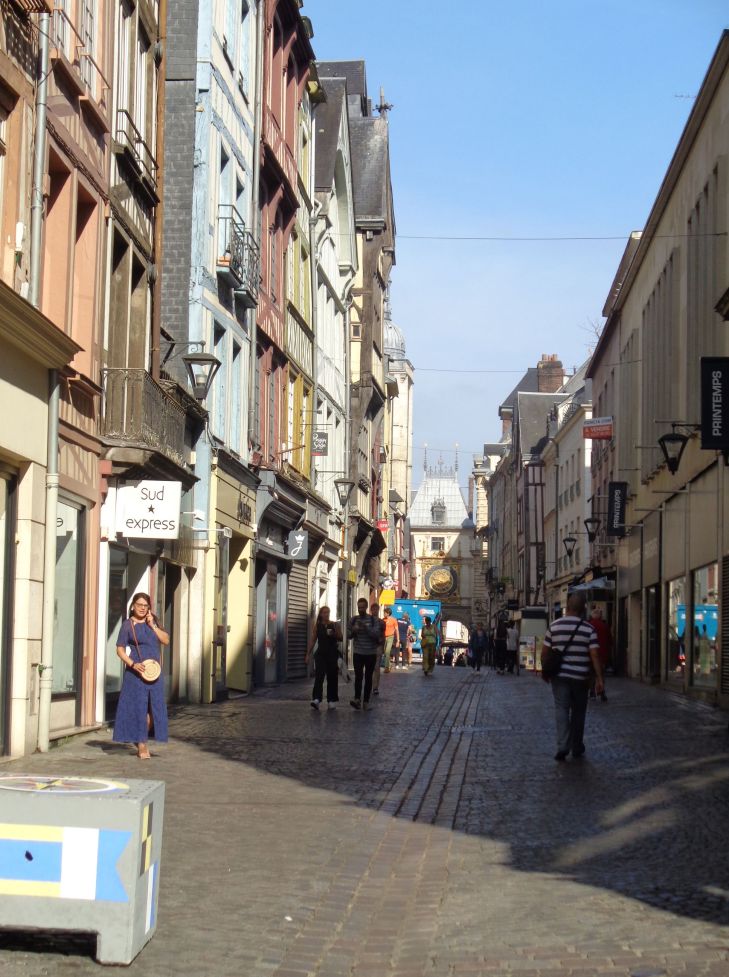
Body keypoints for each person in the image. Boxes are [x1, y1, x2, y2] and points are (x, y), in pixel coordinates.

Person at [543, 591, 604, 761]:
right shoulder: (588, 629)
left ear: (567, 607)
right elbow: (594, 655)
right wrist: (599, 678)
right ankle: (576, 746)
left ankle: (563, 745)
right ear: (583, 609)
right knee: (579, 712)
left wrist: (546, 672)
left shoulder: (554, 626)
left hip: (560, 676)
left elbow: (545, 652)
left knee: (561, 709)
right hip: (580, 677)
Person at [113, 593, 169, 759]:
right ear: (133, 606)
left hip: (154, 673)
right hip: (136, 673)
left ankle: (140, 737)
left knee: (154, 709)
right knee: (139, 708)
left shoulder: (154, 622)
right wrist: (132, 664)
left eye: (146, 605)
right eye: (139, 605)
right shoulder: (127, 625)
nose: (143, 608)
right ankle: (142, 745)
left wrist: (153, 625)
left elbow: (165, 640)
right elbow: (120, 649)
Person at [305, 605, 342, 710]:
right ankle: (316, 699)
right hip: (321, 654)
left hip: (332, 654)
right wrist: (308, 654)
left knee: (332, 677)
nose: (326, 614)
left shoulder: (334, 625)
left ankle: (331, 700)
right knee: (319, 676)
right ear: (321, 614)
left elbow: (341, 638)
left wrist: (334, 634)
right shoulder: (317, 626)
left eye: (328, 612)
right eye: (324, 612)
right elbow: (313, 640)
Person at [348, 598, 381, 710]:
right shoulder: (353, 619)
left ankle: (366, 702)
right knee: (358, 677)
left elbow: (376, 634)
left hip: (370, 653)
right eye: (359, 607)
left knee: (368, 678)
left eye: (362, 607)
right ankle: (357, 699)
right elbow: (348, 635)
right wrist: (354, 630)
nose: (360, 609)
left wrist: (366, 628)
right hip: (358, 652)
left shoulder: (373, 620)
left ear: (366, 607)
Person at [588, 606, 611, 702]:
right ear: (600, 616)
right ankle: (602, 692)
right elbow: (610, 641)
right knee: (601, 674)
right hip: (602, 654)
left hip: (590, 654)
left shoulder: (588, 625)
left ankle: (592, 692)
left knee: (591, 674)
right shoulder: (604, 626)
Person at [369, 602, 386, 695]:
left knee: (376, 667)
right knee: (369, 668)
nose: (375, 611)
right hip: (368, 647)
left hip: (377, 647)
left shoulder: (382, 622)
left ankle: (375, 687)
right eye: (373, 609)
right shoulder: (367, 621)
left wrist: (382, 646)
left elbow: (383, 635)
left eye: (376, 609)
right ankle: (369, 685)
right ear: (371, 610)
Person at [382, 606, 398, 673]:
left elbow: (397, 630)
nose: (384, 614)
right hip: (384, 637)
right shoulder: (383, 620)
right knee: (385, 653)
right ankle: (389, 664)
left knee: (387, 651)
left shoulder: (394, 620)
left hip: (390, 637)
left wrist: (398, 640)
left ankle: (386, 668)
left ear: (388, 613)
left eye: (385, 613)